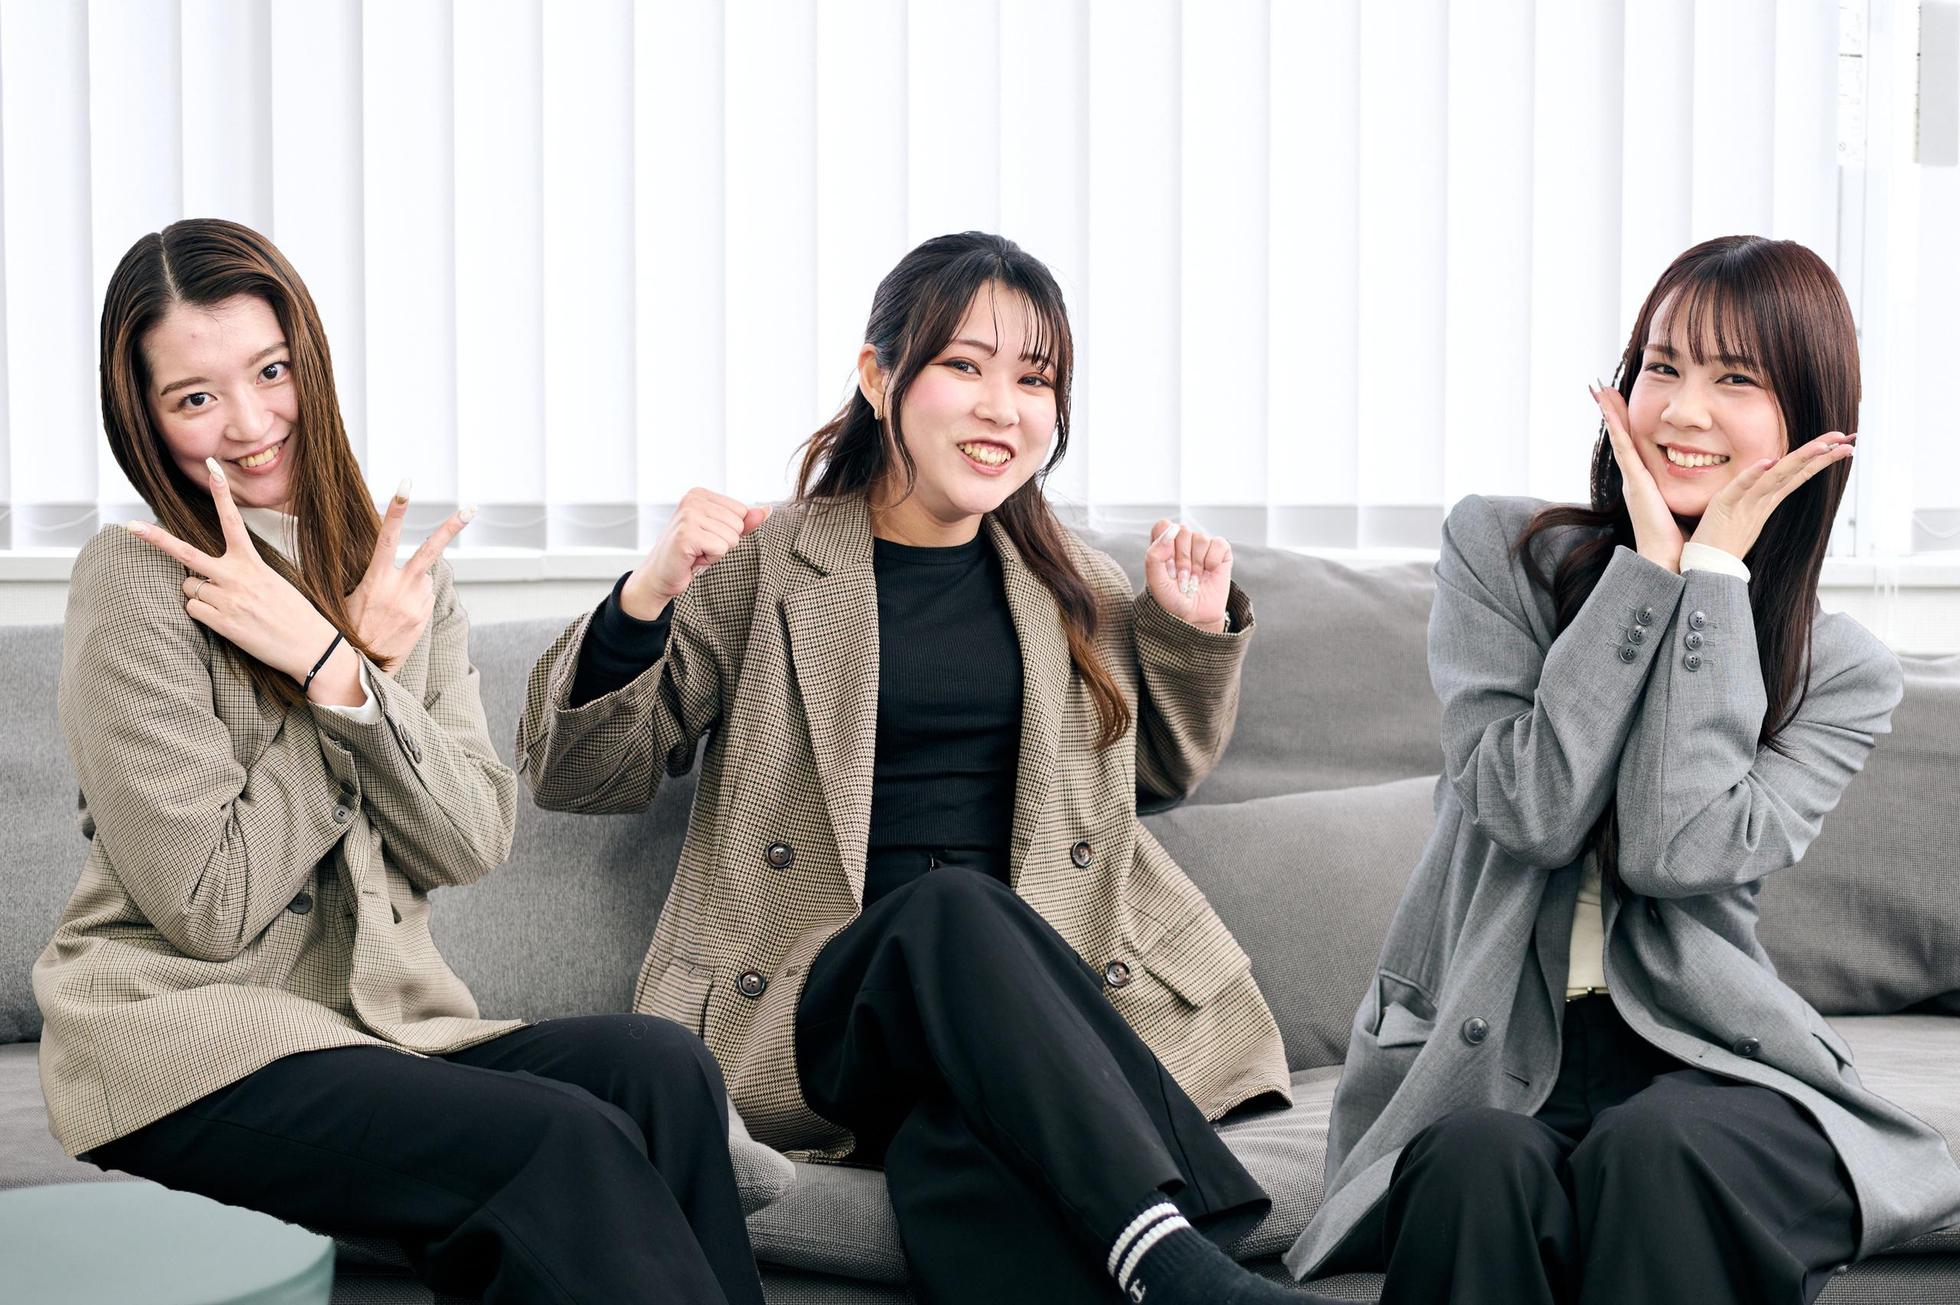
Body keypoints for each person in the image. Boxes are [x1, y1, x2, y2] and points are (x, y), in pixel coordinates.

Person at [518, 232, 1333, 1304]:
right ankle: (1190, 1266)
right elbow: (581, 775)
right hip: (825, 999)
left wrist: (1186, 635)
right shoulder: (768, 564)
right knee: (952, 907)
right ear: (878, 376)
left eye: (1034, 380)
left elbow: (1154, 778)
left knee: (961, 1145)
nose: (1003, 408)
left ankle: (1164, 1271)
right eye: (964, 365)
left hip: (1016, 1016)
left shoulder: (1075, 584)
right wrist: (646, 598)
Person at [34, 218, 764, 1305]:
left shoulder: (399, 574)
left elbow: (471, 837)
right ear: (143, 418)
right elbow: (210, 906)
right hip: (184, 1035)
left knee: (660, 1068)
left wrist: (347, 670)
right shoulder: (136, 579)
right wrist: (350, 667)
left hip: (378, 1025)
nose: (250, 425)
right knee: (560, 1140)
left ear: (309, 362)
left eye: (270, 372)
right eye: (194, 398)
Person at [1284, 234, 1960, 1304]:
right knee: (1473, 1164)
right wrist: (1646, 573)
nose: (1683, 410)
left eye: (1734, 379)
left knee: (1656, 1149)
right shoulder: (1500, 556)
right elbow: (1534, 811)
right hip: (1491, 1047)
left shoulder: (1841, 673)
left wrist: (1713, 580)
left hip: (1712, 1061)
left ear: (1809, 417)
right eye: (1662, 367)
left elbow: (1670, 850)